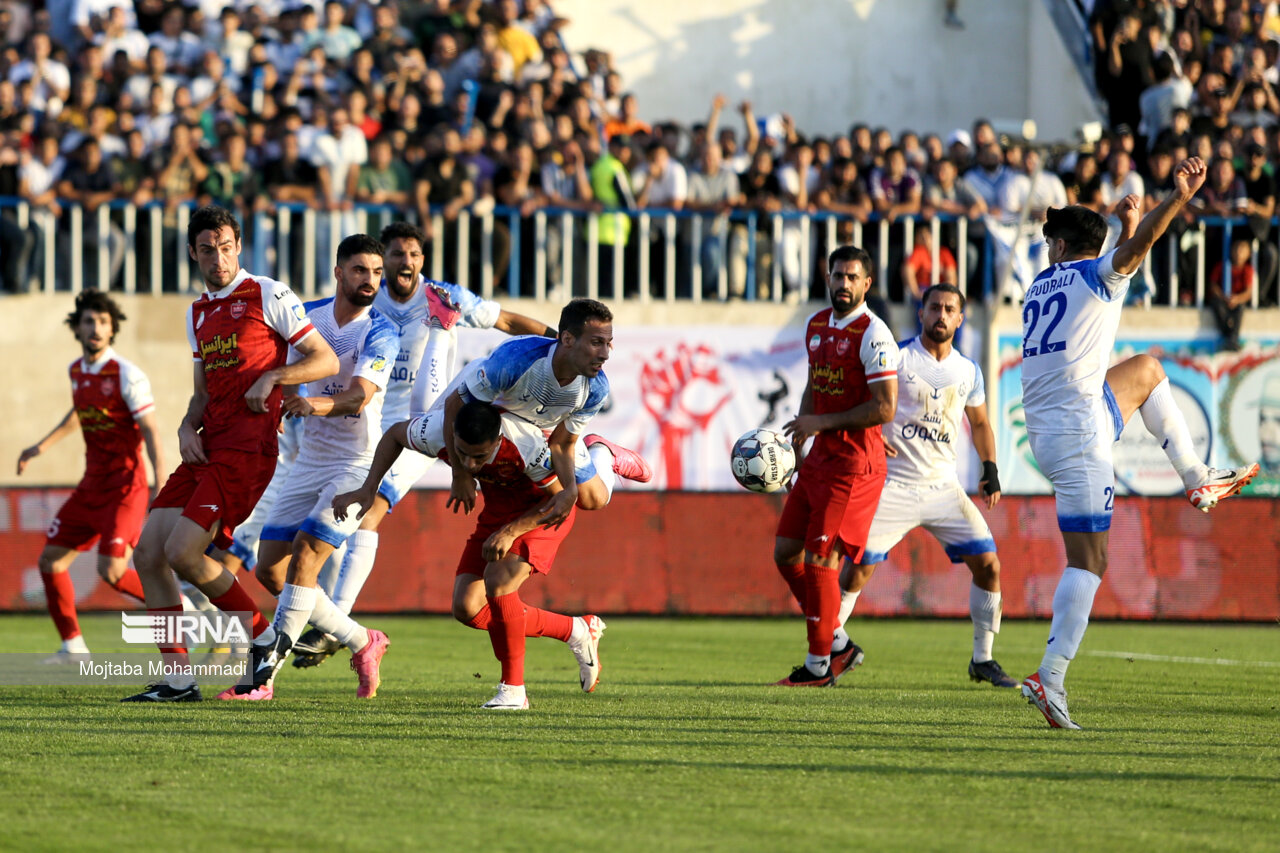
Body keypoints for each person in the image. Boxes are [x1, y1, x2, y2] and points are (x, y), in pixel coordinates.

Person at [1018, 162, 1259, 729]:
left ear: (1061, 244)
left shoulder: (1043, 283)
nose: (1048, 242)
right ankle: (1049, 677)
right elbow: (1134, 254)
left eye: (1053, 236)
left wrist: (1127, 229)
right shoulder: (1094, 274)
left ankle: (1197, 476)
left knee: (1148, 369)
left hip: (1060, 426)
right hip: (1079, 436)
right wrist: (1174, 199)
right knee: (1091, 561)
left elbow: (1121, 262)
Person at [289, 221, 556, 667]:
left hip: (425, 424)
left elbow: (506, 320)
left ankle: (334, 625)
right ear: (382, 261)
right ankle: (331, 618)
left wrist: (558, 343)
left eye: (414, 255)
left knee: (368, 509)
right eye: (397, 255)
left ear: (422, 261)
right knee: (337, 517)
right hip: (368, 419)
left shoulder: (444, 298)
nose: (406, 263)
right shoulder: (361, 304)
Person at [122, 206, 339, 703]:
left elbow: (322, 358)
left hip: (248, 447)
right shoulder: (196, 311)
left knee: (182, 553)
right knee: (149, 555)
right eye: (206, 249)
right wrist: (183, 426)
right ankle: (178, 680)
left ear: (238, 246)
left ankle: (263, 637)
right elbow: (201, 393)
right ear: (193, 254)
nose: (217, 258)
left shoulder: (268, 292)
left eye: (225, 247)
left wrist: (274, 377)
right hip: (208, 444)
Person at [334, 401, 634, 709]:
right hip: (497, 511)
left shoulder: (525, 443)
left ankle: (513, 691)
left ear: (498, 439)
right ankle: (577, 630)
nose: (472, 464)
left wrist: (511, 531)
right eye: (462, 454)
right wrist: (370, 488)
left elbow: (561, 499)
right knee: (467, 607)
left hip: (542, 511)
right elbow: (395, 435)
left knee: (499, 584)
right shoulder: (438, 432)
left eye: (480, 456)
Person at [225, 234, 398, 702]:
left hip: (356, 463)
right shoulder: (308, 315)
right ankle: (364, 641)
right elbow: (271, 364)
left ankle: (262, 677)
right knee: (270, 570)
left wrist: (312, 405)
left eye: (377, 273)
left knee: (306, 556)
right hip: (309, 459)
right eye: (361, 270)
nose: (371, 280)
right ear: (339, 271)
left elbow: (361, 395)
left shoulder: (381, 330)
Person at [834, 284, 1016, 688]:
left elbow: (982, 423)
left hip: (943, 489)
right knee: (857, 571)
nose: (941, 314)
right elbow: (866, 398)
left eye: (950, 309)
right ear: (921, 312)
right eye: (934, 307)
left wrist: (991, 469)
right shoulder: (897, 356)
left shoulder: (968, 370)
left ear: (959, 318)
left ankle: (983, 659)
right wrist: (871, 431)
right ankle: (828, 646)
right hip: (894, 485)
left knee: (989, 566)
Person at [772, 245, 899, 687]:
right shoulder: (817, 325)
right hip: (820, 458)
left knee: (822, 557)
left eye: (852, 277)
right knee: (785, 551)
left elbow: (884, 408)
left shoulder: (874, 335)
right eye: (837, 275)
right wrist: (802, 444)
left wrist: (820, 422)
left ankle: (818, 666)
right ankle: (838, 639)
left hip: (854, 464)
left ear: (867, 284)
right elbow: (814, 383)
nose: (843, 284)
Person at [16, 291, 165, 662]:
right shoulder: (77, 371)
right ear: (77, 328)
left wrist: (160, 481)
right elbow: (79, 414)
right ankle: (73, 646)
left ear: (112, 328)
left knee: (113, 570)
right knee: (51, 561)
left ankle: (180, 610)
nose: (95, 328)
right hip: (90, 487)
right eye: (88, 321)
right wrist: (41, 446)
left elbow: (150, 428)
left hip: (125, 487)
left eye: (102, 322)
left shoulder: (127, 374)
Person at [440, 298, 649, 533]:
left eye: (608, 344)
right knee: (437, 430)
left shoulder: (596, 388)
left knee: (593, 500)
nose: (605, 354)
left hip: (547, 427)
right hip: (503, 415)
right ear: (568, 339)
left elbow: (561, 444)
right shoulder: (513, 362)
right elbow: (454, 405)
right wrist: (459, 474)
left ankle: (602, 451)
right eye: (596, 343)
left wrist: (570, 489)